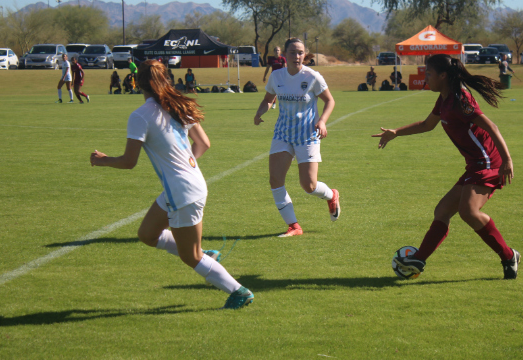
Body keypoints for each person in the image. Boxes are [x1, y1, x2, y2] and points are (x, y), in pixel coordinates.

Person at [90, 60, 254, 309]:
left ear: (138, 83)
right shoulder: (178, 105)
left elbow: (128, 162)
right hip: (188, 184)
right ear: (165, 79)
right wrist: (186, 167)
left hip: (182, 191)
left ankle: (239, 291)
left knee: (191, 257)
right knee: (147, 234)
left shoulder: (140, 116)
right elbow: (204, 144)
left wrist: (102, 161)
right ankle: (206, 255)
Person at [372, 54, 520, 280]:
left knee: (468, 212)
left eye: (428, 74)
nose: (425, 79)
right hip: (475, 164)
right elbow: (427, 125)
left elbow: (492, 127)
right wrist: (396, 133)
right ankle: (419, 260)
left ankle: (509, 256)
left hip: (489, 161)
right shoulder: (444, 99)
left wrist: (507, 160)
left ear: (443, 75)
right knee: (442, 211)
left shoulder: (462, 100)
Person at [253, 37, 340, 237]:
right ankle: (294, 226)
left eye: (300, 52)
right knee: (275, 179)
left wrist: (323, 121)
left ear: (305, 54)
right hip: (283, 134)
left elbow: (329, 101)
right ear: (285, 55)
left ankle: (331, 194)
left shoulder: (313, 77)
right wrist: (259, 113)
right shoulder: (276, 76)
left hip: (307, 135)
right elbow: (268, 99)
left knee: (308, 185)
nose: (297, 56)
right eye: (293, 52)